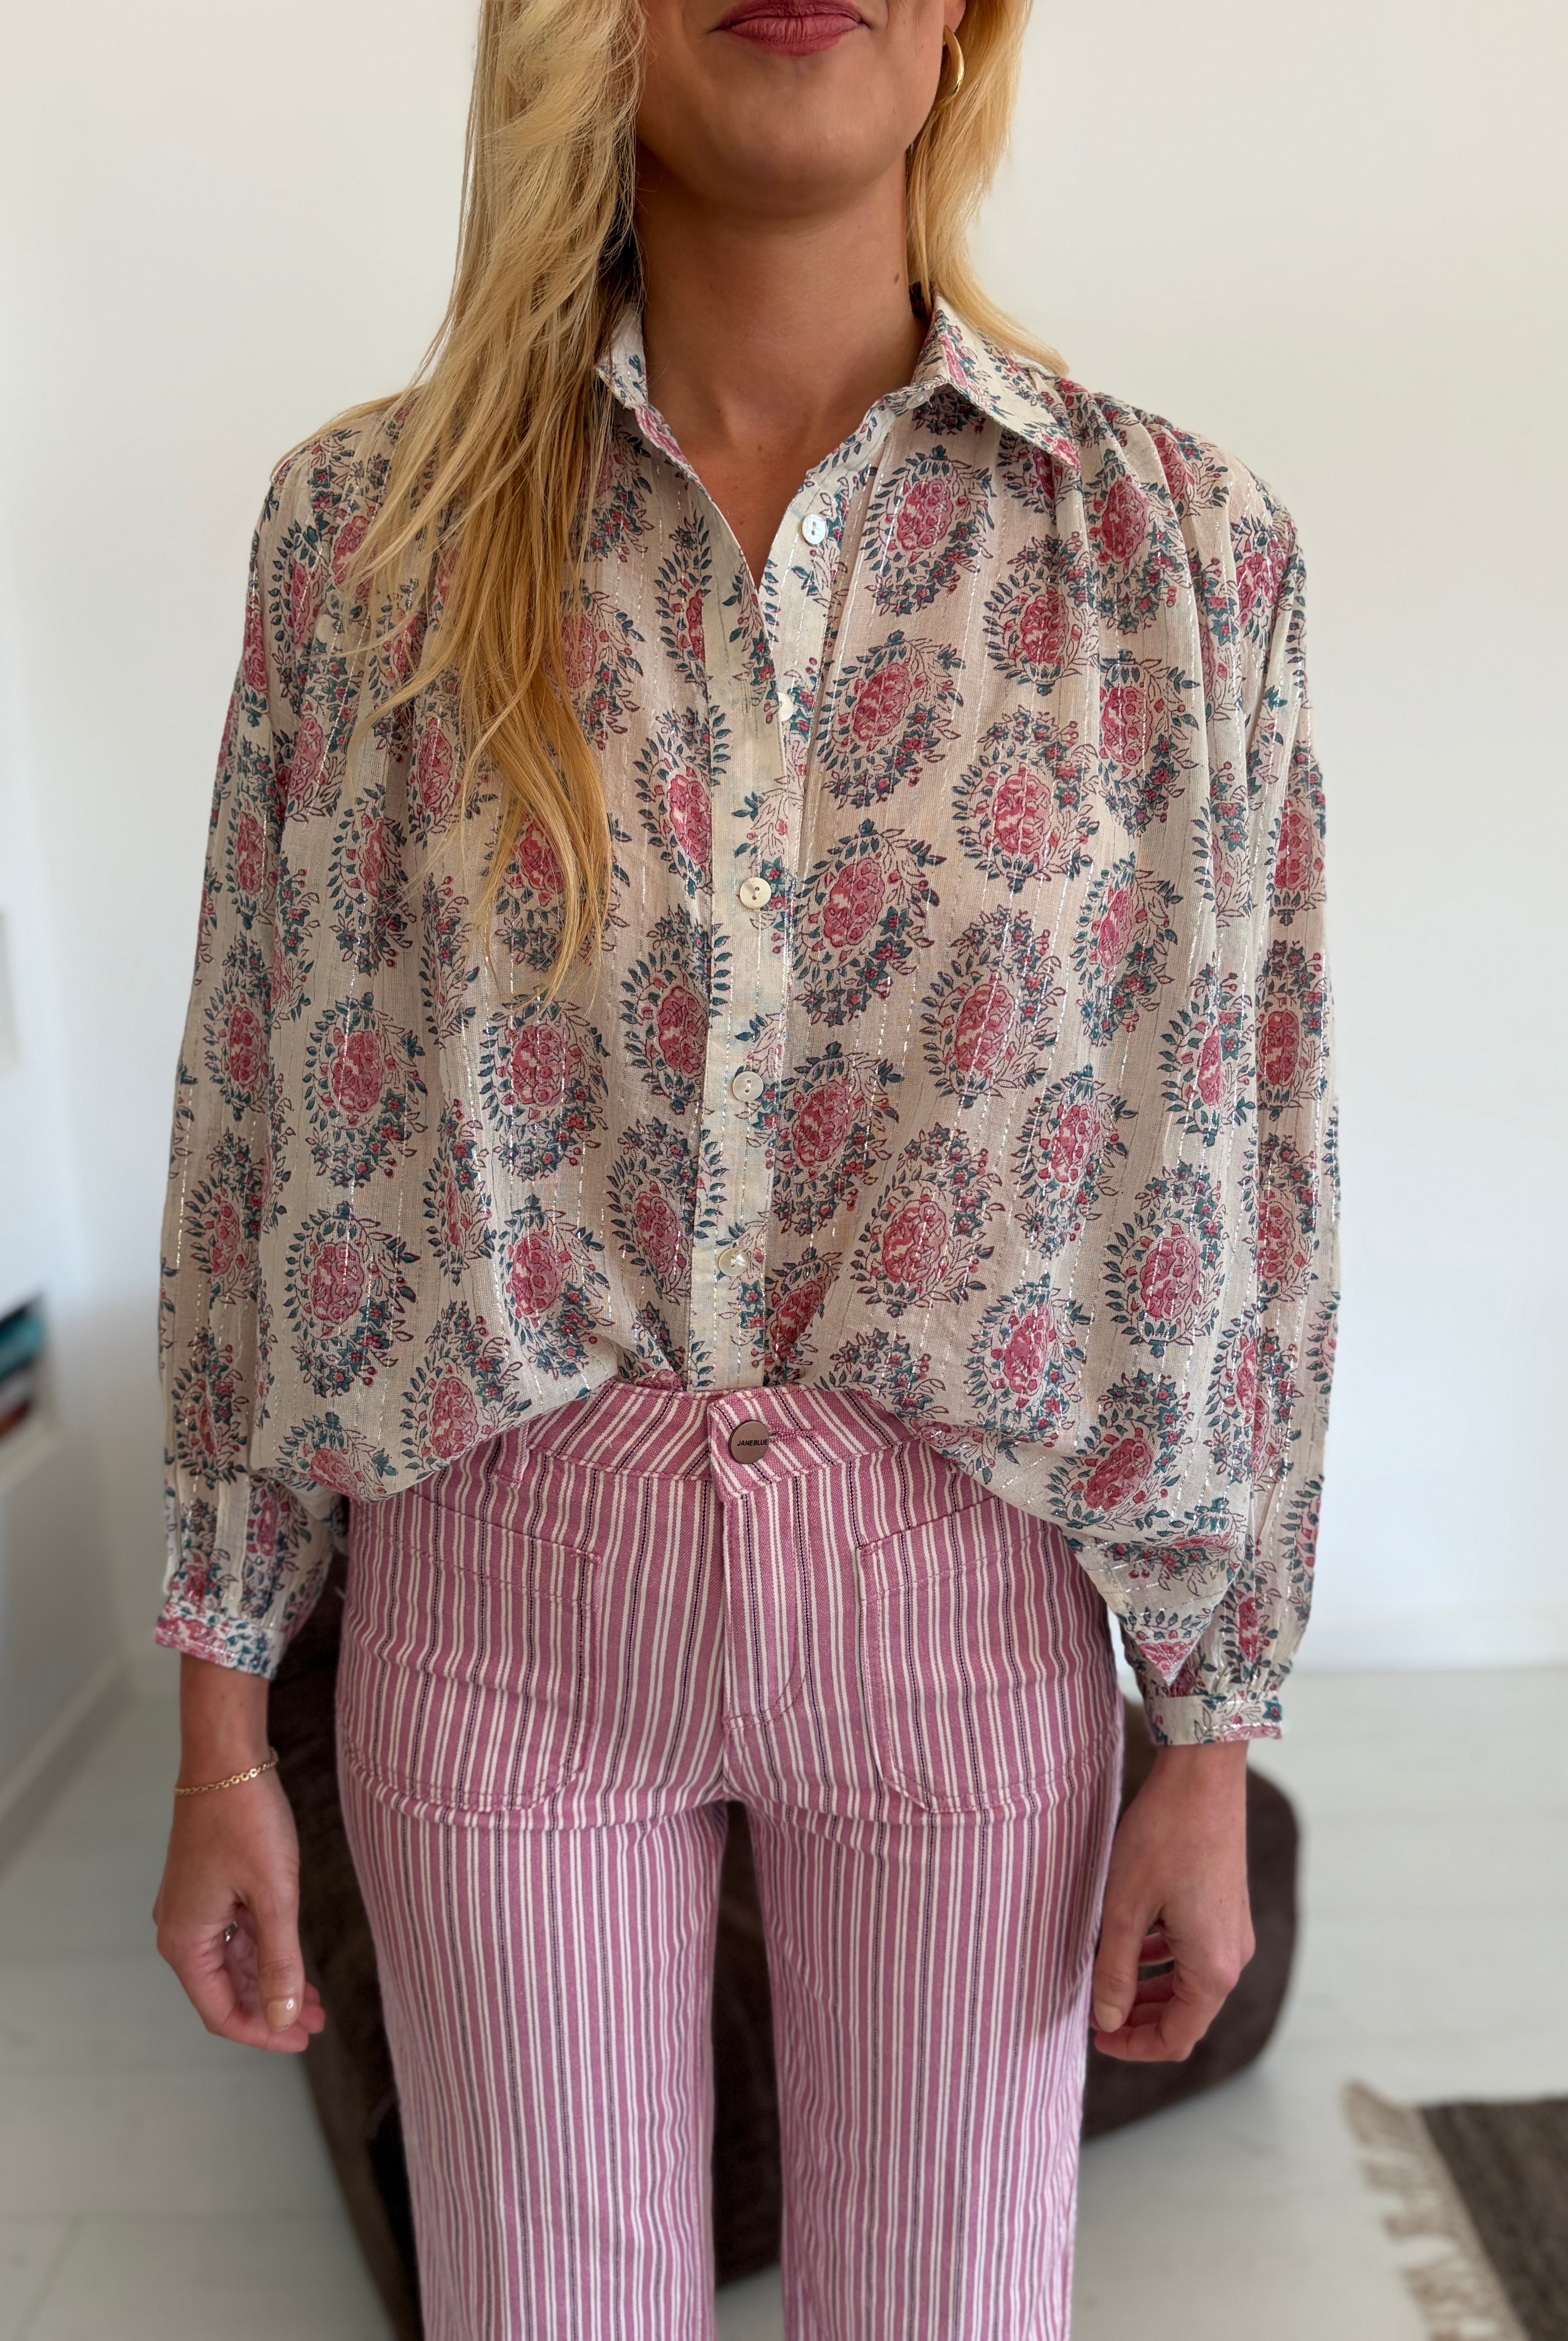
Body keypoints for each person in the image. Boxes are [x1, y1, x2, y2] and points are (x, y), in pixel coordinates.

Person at [151, 0, 1338, 2332]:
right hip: (496, 1600)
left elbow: (1249, 1159)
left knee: (954, 2296)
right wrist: (218, 1714)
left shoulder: (1177, 555)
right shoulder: (367, 540)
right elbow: (257, 1121)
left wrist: (1211, 1729)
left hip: (966, 1603)